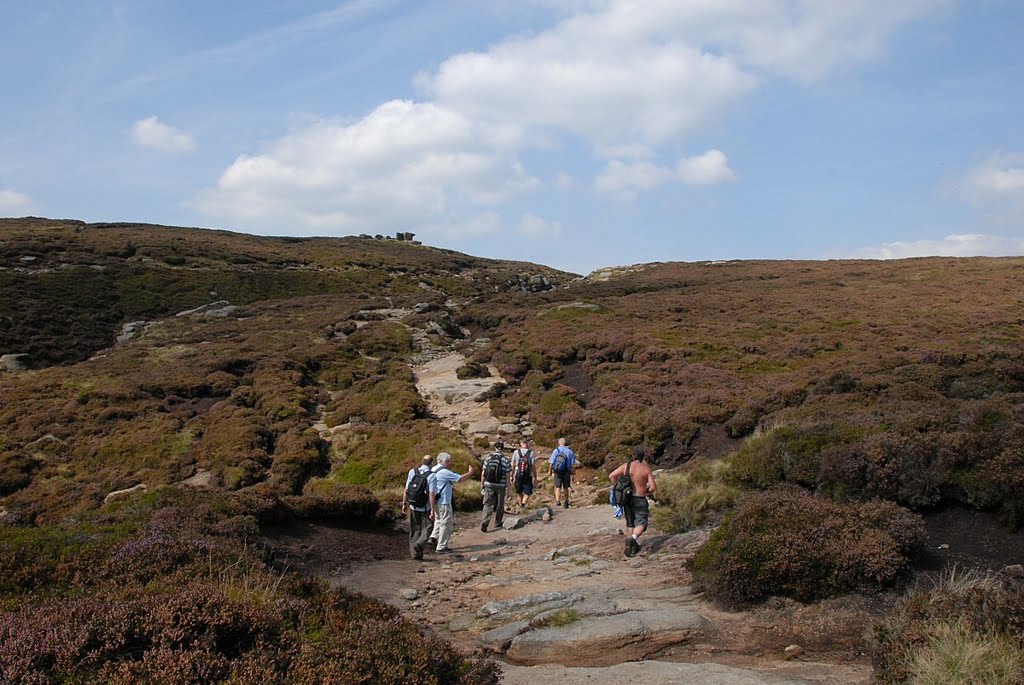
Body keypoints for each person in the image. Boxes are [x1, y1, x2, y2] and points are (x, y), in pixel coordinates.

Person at [608, 447, 657, 557]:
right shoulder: (645, 469)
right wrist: (646, 491)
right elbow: (653, 487)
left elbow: (611, 475)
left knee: (630, 524)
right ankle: (633, 539)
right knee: (641, 523)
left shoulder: (626, 466)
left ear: (633, 456)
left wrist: (618, 486)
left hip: (627, 498)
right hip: (640, 498)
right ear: (642, 457)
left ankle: (630, 549)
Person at [430, 452, 475, 553]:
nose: (450, 464)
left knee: (438, 519)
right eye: (448, 462)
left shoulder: (433, 469)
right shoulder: (444, 472)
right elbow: (460, 478)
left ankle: (433, 537)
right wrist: (470, 473)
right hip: (444, 501)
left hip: (435, 500)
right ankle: (441, 546)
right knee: (446, 523)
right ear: (443, 461)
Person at [401, 454, 436, 560]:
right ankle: (420, 544)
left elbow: (407, 489)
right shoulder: (431, 475)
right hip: (425, 507)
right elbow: (431, 493)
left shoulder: (413, 472)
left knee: (414, 529)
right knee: (429, 527)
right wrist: (433, 510)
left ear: (422, 461)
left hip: (413, 505)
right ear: (431, 463)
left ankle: (415, 555)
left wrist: (404, 503)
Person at [480, 441, 512, 532]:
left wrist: (482, 485)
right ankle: (497, 522)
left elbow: (483, 474)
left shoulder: (488, 458)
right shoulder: (506, 459)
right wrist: (509, 490)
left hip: (489, 484)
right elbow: (507, 476)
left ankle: (485, 523)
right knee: (500, 505)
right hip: (501, 486)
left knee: (488, 504)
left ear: (495, 448)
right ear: (502, 448)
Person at [548, 437, 577, 509]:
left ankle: (558, 501)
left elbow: (551, 462)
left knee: (557, 486)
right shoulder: (570, 451)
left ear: (559, 443)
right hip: (567, 471)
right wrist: (573, 473)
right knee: (566, 487)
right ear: (565, 443)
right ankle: (566, 501)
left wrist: (550, 471)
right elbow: (573, 464)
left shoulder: (556, 451)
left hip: (557, 471)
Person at [510, 439, 537, 511]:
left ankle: (520, 506)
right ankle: (523, 504)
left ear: (521, 444)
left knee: (519, 492)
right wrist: (535, 477)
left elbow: (512, 465)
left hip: (518, 474)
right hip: (528, 475)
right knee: (528, 492)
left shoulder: (516, 452)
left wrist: (511, 475)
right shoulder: (531, 453)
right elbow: (533, 466)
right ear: (527, 444)